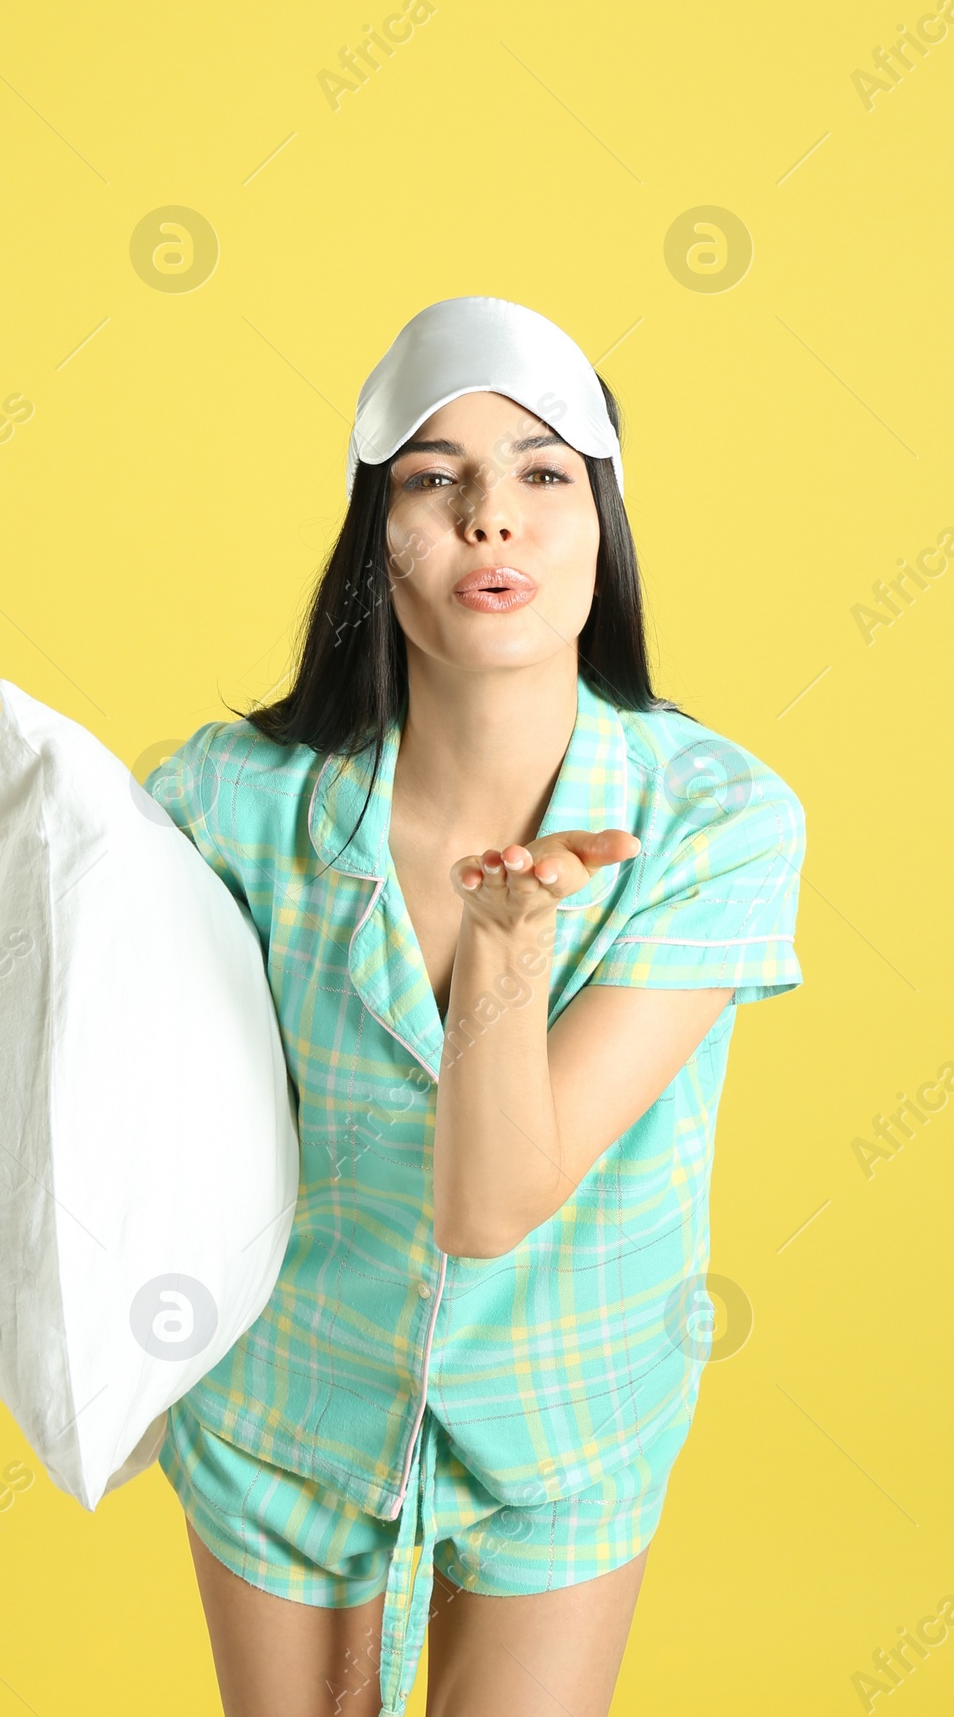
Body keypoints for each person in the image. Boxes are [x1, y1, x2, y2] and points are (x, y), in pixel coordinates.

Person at [147, 296, 805, 1717]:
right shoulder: (220, 809)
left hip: (568, 1419)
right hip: (289, 1410)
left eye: (543, 474)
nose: (491, 519)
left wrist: (508, 948)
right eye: (436, 479)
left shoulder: (718, 824)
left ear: (601, 527)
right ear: (372, 538)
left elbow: (493, 1208)